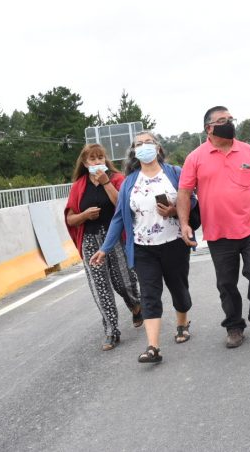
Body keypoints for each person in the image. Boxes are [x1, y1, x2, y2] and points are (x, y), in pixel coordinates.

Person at [178, 107, 250, 349]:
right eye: (222, 121)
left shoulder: (247, 150)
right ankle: (234, 325)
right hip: (218, 233)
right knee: (226, 283)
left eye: (230, 119)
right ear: (208, 128)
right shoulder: (195, 158)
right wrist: (184, 223)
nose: (229, 123)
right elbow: (184, 192)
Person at [92, 132, 195, 363]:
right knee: (149, 294)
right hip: (142, 248)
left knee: (178, 287)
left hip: (174, 243)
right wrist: (105, 248)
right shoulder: (130, 182)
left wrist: (174, 210)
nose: (144, 147)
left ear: (158, 148)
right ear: (134, 152)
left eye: (148, 142)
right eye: (139, 144)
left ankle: (182, 323)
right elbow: (119, 217)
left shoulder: (175, 173)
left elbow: (191, 201)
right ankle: (153, 347)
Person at [64, 144, 142, 351]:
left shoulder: (116, 179)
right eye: (92, 159)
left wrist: (106, 183)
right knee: (101, 288)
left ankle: (135, 304)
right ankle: (111, 330)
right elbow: (70, 218)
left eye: (100, 158)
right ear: (84, 162)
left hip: (114, 237)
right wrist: (84, 216)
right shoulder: (79, 186)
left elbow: (123, 205)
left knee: (123, 282)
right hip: (90, 240)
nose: (96, 162)